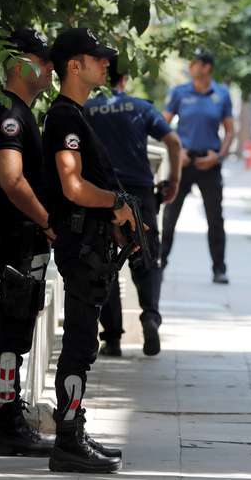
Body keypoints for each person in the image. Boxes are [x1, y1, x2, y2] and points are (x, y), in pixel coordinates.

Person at [42, 27, 135, 473]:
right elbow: (73, 187)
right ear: (74, 66)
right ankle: (67, 440)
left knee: (85, 343)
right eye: (97, 58)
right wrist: (115, 204)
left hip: (90, 248)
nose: (105, 64)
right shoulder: (63, 118)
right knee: (79, 344)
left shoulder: (77, 115)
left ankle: (74, 430)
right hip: (80, 249)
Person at [0, 28, 57, 457]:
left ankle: (11, 416)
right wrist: (48, 221)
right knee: (12, 330)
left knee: (19, 328)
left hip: (27, 241)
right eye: (42, 61)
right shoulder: (8, 114)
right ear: (21, 62)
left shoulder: (23, 113)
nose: (48, 70)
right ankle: (7, 423)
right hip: (17, 241)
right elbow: (11, 181)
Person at [84, 57, 182, 357]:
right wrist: (173, 181)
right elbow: (174, 142)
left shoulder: (86, 110)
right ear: (124, 79)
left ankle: (111, 338)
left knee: (105, 264)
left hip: (102, 195)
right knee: (147, 257)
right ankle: (150, 317)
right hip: (140, 193)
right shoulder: (142, 108)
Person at [161, 49, 234, 284]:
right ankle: (160, 263)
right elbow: (163, 125)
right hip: (184, 162)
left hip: (209, 163)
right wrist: (176, 151)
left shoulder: (221, 94)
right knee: (170, 214)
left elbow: (230, 130)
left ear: (206, 67)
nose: (191, 66)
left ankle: (219, 269)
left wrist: (219, 156)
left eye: (195, 63)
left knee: (215, 218)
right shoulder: (179, 93)